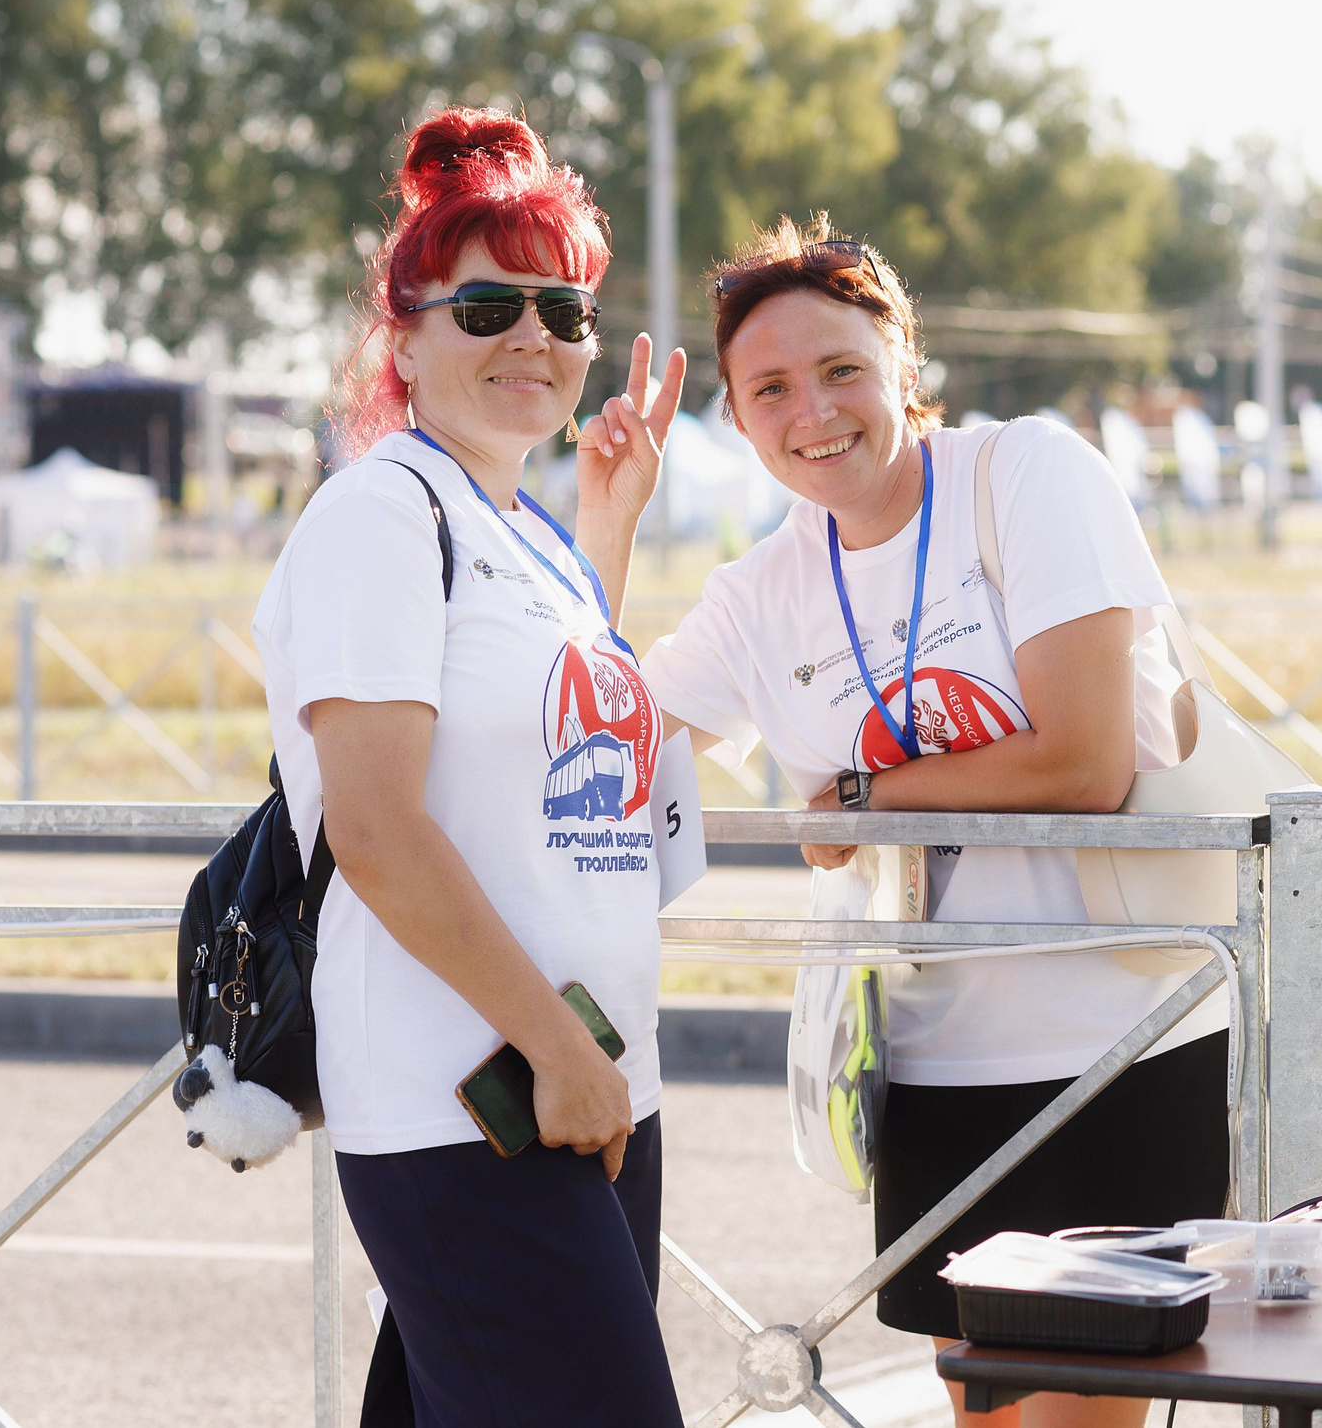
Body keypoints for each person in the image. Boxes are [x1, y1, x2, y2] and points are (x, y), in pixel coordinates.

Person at [624, 216, 1226, 1428]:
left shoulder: (1026, 474)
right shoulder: (762, 591)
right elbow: (599, 745)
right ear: (737, 420)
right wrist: (611, 516)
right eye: (771, 388)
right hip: (932, 1061)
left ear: (904, 361)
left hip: (1121, 1038)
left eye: (842, 368)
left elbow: (1085, 760)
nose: (814, 411)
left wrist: (865, 796)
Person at [254, 108, 686, 1428]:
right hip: (478, 1095)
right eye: (488, 305)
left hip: (593, 1080)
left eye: (565, 310)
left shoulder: (533, 533)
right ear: (406, 333)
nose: (534, 340)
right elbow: (379, 829)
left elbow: (554, 736)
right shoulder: (383, 513)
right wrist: (556, 1047)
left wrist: (606, 532)